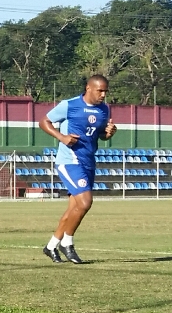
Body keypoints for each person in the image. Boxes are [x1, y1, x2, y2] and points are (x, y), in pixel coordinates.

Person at [39, 74, 116, 264]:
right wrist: (61, 137)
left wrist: (108, 133)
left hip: (89, 161)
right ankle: (67, 243)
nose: (103, 94)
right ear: (89, 88)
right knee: (85, 202)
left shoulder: (103, 110)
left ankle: (50, 246)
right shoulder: (69, 105)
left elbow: (100, 136)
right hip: (69, 161)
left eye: (105, 91)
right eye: (100, 90)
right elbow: (44, 122)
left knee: (74, 209)